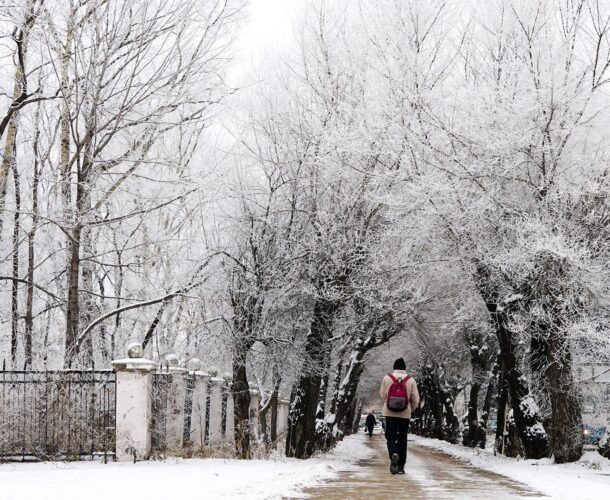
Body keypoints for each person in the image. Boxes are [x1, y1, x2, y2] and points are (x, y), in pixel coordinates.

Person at [379, 357, 420, 475]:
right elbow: (415, 399)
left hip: (390, 413)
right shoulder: (410, 380)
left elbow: (382, 395)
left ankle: (393, 454)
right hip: (404, 414)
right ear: (405, 368)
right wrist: (410, 409)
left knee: (390, 437)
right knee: (402, 439)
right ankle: (401, 466)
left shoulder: (387, 378)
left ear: (394, 367)